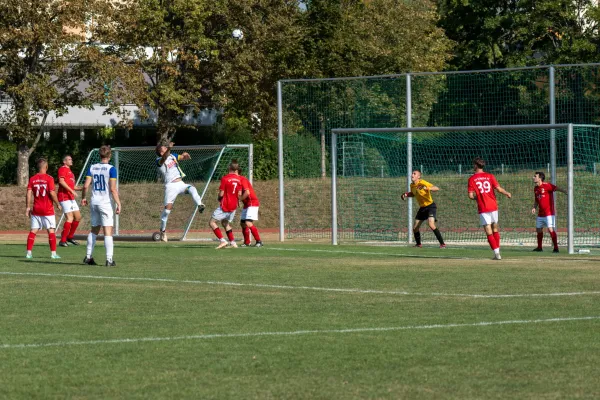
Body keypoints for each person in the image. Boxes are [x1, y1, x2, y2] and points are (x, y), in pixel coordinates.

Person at [155, 141, 205, 242]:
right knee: (167, 211)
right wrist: (169, 148)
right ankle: (163, 231)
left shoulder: (172, 155)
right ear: (161, 152)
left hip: (180, 183)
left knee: (192, 188)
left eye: (166, 147)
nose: (166, 148)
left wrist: (185, 155)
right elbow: (165, 157)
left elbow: (182, 157)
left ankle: (200, 204)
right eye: (164, 148)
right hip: (171, 186)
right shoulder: (159, 160)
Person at [81, 145, 122, 267]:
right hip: (105, 203)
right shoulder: (111, 169)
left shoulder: (92, 167)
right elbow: (113, 189)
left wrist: (83, 198)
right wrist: (118, 203)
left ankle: (88, 257)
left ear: (99, 155)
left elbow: (85, 186)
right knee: (108, 231)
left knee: (94, 230)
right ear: (109, 156)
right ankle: (109, 260)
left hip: (94, 202)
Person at [467, 157, 512, 260]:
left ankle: (496, 254)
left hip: (483, 207)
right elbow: (499, 189)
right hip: (493, 205)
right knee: (495, 228)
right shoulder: (490, 176)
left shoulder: (472, 179)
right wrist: (507, 193)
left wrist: (477, 198)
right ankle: (498, 251)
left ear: (475, 165)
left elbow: (470, 196)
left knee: (488, 230)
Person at [25, 158, 62, 259]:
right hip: (48, 209)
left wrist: (28, 207)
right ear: (46, 167)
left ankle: (28, 253)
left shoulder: (32, 179)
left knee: (33, 230)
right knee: (51, 230)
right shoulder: (49, 178)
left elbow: (28, 193)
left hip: (36, 209)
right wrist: (58, 203)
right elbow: (52, 193)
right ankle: (53, 254)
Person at [401, 170, 446, 248]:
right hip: (422, 208)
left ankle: (442, 244)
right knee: (415, 228)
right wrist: (406, 194)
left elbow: (436, 188)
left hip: (430, 206)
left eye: (414, 174)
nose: (412, 175)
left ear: (419, 176)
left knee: (431, 224)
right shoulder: (412, 185)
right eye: (412, 173)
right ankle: (418, 244)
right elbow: (413, 193)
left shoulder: (422, 182)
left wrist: (427, 188)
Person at [531, 171, 567, 253]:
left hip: (549, 213)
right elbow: (536, 200)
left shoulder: (547, 186)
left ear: (540, 178)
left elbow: (556, 188)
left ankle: (556, 248)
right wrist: (534, 207)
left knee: (550, 229)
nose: (533, 177)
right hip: (540, 213)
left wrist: (565, 191)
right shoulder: (535, 188)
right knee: (538, 229)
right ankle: (539, 247)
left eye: (535, 176)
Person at [210, 160, 242, 249]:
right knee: (225, 223)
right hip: (233, 206)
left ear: (229, 168)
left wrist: (219, 198)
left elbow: (221, 194)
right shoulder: (239, 179)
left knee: (212, 222)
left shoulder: (225, 178)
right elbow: (239, 194)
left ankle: (222, 241)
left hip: (225, 205)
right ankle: (233, 242)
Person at [57, 154, 83, 247]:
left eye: (71, 159)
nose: (71, 160)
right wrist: (72, 190)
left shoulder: (71, 173)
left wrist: (81, 188)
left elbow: (72, 186)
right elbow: (61, 181)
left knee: (78, 217)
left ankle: (70, 237)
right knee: (70, 218)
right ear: (64, 161)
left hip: (70, 197)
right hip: (64, 196)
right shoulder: (63, 169)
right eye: (69, 159)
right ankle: (62, 240)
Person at [239, 171, 262, 247]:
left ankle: (259, 241)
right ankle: (247, 242)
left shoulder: (243, 179)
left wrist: (240, 198)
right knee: (243, 223)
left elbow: (247, 192)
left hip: (252, 203)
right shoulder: (235, 182)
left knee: (248, 223)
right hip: (246, 204)